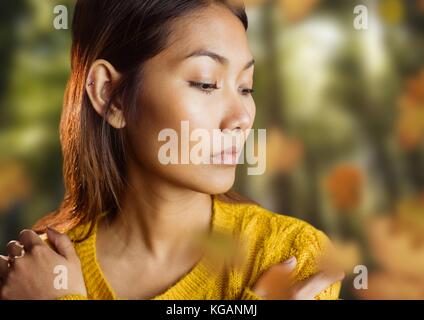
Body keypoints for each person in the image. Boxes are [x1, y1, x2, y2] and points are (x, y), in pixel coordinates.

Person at [0, 0, 344, 300]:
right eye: (206, 83)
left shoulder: (289, 255)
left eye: (245, 87)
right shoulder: (40, 270)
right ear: (110, 95)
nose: (241, 118)